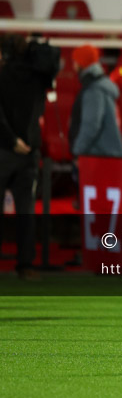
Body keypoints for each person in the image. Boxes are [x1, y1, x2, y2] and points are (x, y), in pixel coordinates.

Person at [0, 34, 60, 281]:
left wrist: (12, 140)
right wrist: (36, 45)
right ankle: (25, 265)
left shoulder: (1, 76)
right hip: (30, 152)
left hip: (4, 149)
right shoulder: (38, 78)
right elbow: (54, 58)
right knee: (26, 212)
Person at [68, 45, 122, 159]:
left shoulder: (93, 90)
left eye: (75, 62)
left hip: (97, 156)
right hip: (105, 155)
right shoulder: (100, 85)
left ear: (82, 63)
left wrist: (77, 150)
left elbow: (91, 125)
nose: (73, 66)